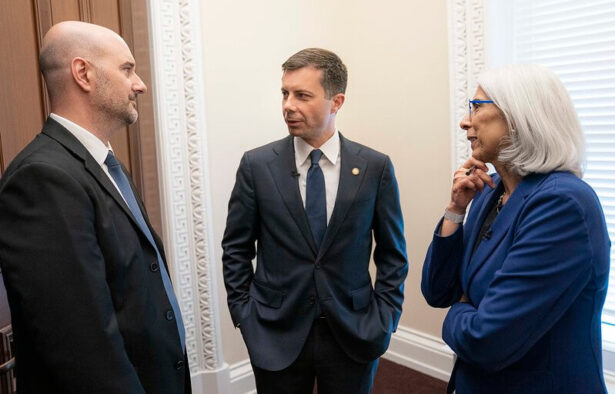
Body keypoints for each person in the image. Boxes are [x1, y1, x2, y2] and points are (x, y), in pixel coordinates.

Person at [0, 21, 190, 394]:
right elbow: (80, 343)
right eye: (127, 69)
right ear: (83, 73)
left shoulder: (102, 163)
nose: (140, 84)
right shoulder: (42, 178)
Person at [222, 48, 408, 394]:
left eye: (302, 95)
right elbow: (236, 248)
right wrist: (245, 315)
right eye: (284, 93)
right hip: (275, 332)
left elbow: (392, 253)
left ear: (336, 102)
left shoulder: (375, 167)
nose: (288, 105)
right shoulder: (257, 166)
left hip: (354, 330)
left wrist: (385, 318)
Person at [421, 64, 610, 393]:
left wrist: (458, 314)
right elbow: (438, 291)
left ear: (522, 116)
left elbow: (486, 340)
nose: (466, 121)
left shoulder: (563, 204)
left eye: (477, 107)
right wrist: (455, 211)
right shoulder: (489, 190)